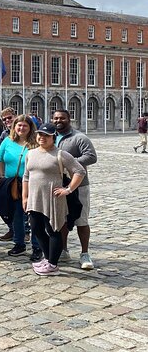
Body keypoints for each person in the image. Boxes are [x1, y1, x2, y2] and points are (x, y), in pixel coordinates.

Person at [23, 123, 86, 276]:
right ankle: (48, 257)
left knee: (54, 229)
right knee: (37, 229)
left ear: (53, 137)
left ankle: (53, 264)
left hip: (53, 198)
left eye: (46, 135)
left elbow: (79, 171)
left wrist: (69, 189)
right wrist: (25, 197)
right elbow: (26, 176)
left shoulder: (60, 154)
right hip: (35, 198)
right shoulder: (30, 153)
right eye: (40, 134)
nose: (42, 138)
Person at [53, 109, 98, 270]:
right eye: (56, 118)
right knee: (62, 220)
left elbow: (91, 156)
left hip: (79, 185)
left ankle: (85, 253)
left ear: (69, 119)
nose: (59, 120)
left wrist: (69, 163)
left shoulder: (79, 138)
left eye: (62, 118)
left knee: (81, 220)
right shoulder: (50, 136)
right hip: (58, 185)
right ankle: (64, 250)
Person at [0, 115, 39, 259]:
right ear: (14, 127)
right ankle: (19, 243)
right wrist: (1, 177)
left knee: (34, 216)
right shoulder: (7, 141)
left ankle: (37, 246)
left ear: (30, 127)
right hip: (12, 184)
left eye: (25, 126)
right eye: (19, 125)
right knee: (16, 215)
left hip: (32, 183)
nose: (21, 128)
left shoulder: (35, 142)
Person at [0, 107, 17, 240]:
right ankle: (12, 228)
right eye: (4, 119)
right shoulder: (4, 135)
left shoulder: (25, 130)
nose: (7, 121)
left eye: (10, 117)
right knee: (4, 204)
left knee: (22, 206)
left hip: (22, 176)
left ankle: (24, 231)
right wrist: (0, 174)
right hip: (7, 176)